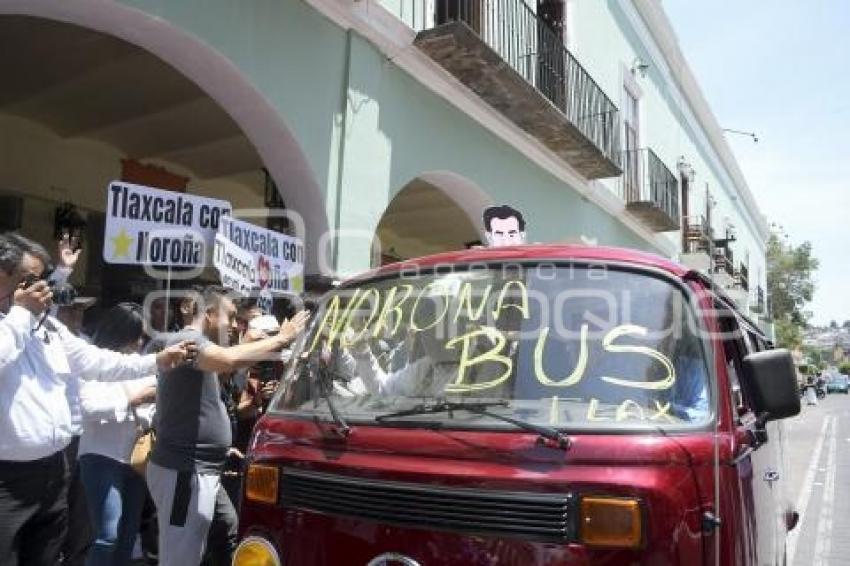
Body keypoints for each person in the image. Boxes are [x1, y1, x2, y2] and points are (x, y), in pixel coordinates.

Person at [0, 233, 191, 566]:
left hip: (55, 472)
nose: (40, 289)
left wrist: (156, 361)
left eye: (42, 281)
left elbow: (98, 361)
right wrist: (20, 314)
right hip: (8, 482)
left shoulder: (49, 329)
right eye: (28, 281)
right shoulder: (16, 323)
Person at [146, 285, 309, 566]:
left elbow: (228, 366)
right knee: (180, 559)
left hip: (204, 468)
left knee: (226, 530)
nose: (235, 325)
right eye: (230, 317)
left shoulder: (202, 348)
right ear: (209, 314)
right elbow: (230, 360)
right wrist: (283, 338)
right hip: (185, 472)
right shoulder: (188, 341)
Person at [77, 303, 156, 566]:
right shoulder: (93, 361)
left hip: (135, 460)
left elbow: (152, 411)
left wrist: (150, 406)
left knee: (126, 537)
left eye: (143, 336)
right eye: (137, 335)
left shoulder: (141, 365)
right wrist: (132, 401)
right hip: (101, 456)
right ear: (121, 332)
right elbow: (88, 407)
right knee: (107, 536)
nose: (140, 342)